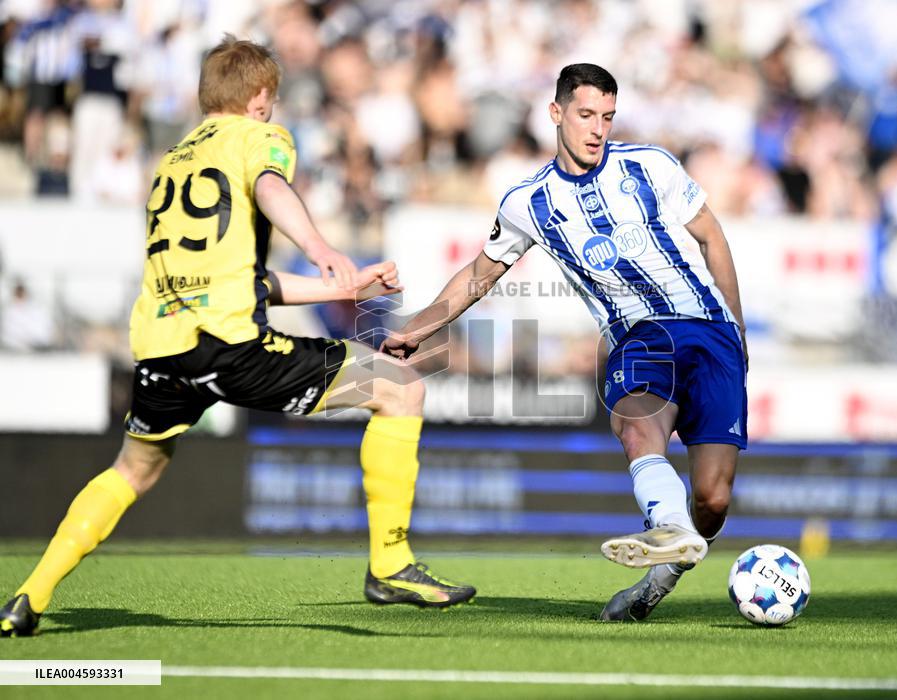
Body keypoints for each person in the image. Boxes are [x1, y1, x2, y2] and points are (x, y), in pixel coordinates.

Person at [1, 36, 474, 638]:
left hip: (163, 346)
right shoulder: (258, 139)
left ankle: (29, 595)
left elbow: (241, 278)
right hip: (230, 343)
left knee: (133, 469)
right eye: (270, 100)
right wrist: (323, 248)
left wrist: (341, 287)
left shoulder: (172, 161)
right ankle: (390, 563)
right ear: (258, 98)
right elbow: (274, 188)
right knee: (400, 386)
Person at [383, 63, 747, 622]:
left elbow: (711, 235)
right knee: (634, 421)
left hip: (710, 330)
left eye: (607, 116)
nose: (597, 128)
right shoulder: (528, 202)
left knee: (714, 500)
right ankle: (667, 525)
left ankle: (660, 570)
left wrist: (739, 330)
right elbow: (479, 276)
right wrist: (419, 327)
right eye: (585, 115)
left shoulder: (650, 165)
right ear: (556, 114)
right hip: (638, 335)